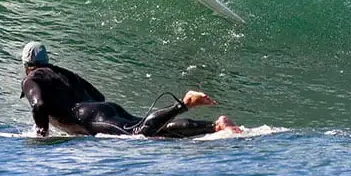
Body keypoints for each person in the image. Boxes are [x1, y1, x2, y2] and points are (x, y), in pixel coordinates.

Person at [19, 41, 241, 138]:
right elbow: (98, 96)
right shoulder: (62, 72)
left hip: (89, 116)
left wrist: (42, 134)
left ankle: (184, 104)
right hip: (103, 109)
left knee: (138, 133)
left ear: (26, 65)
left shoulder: (31, 78)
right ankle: (216, 126)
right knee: (157, 132)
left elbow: (38, 104)